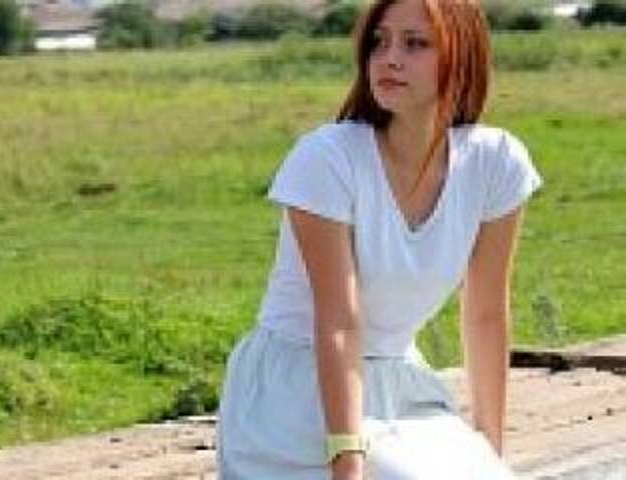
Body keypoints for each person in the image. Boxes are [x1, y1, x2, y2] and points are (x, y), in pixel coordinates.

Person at [216, 0, 544, 478]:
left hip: (402, 387)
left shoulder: (496, 161)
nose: (389, 59)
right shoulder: (327, 158)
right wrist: (348, 460)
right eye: (379, 42)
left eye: (415, 44)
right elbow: (338, 323)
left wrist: (491, 452)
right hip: (295, 393)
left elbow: (486, 314)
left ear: (462, 56)